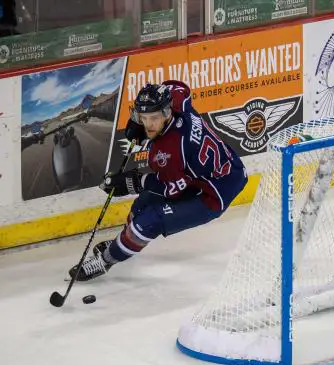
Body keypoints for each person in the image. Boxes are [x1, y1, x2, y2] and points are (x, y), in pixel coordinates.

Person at [68, 80, 247, 282]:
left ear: (167, 112)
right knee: (142, 203)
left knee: (150, 221)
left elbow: (172, 191)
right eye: (143, 118)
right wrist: (143, 113)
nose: (148, 124)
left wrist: (131, 182)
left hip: (214, 193)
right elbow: (178, 87)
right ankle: (122, 242)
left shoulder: (170, 151)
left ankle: (106, 260)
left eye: (154, 118)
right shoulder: (178, 101)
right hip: (210, 170)